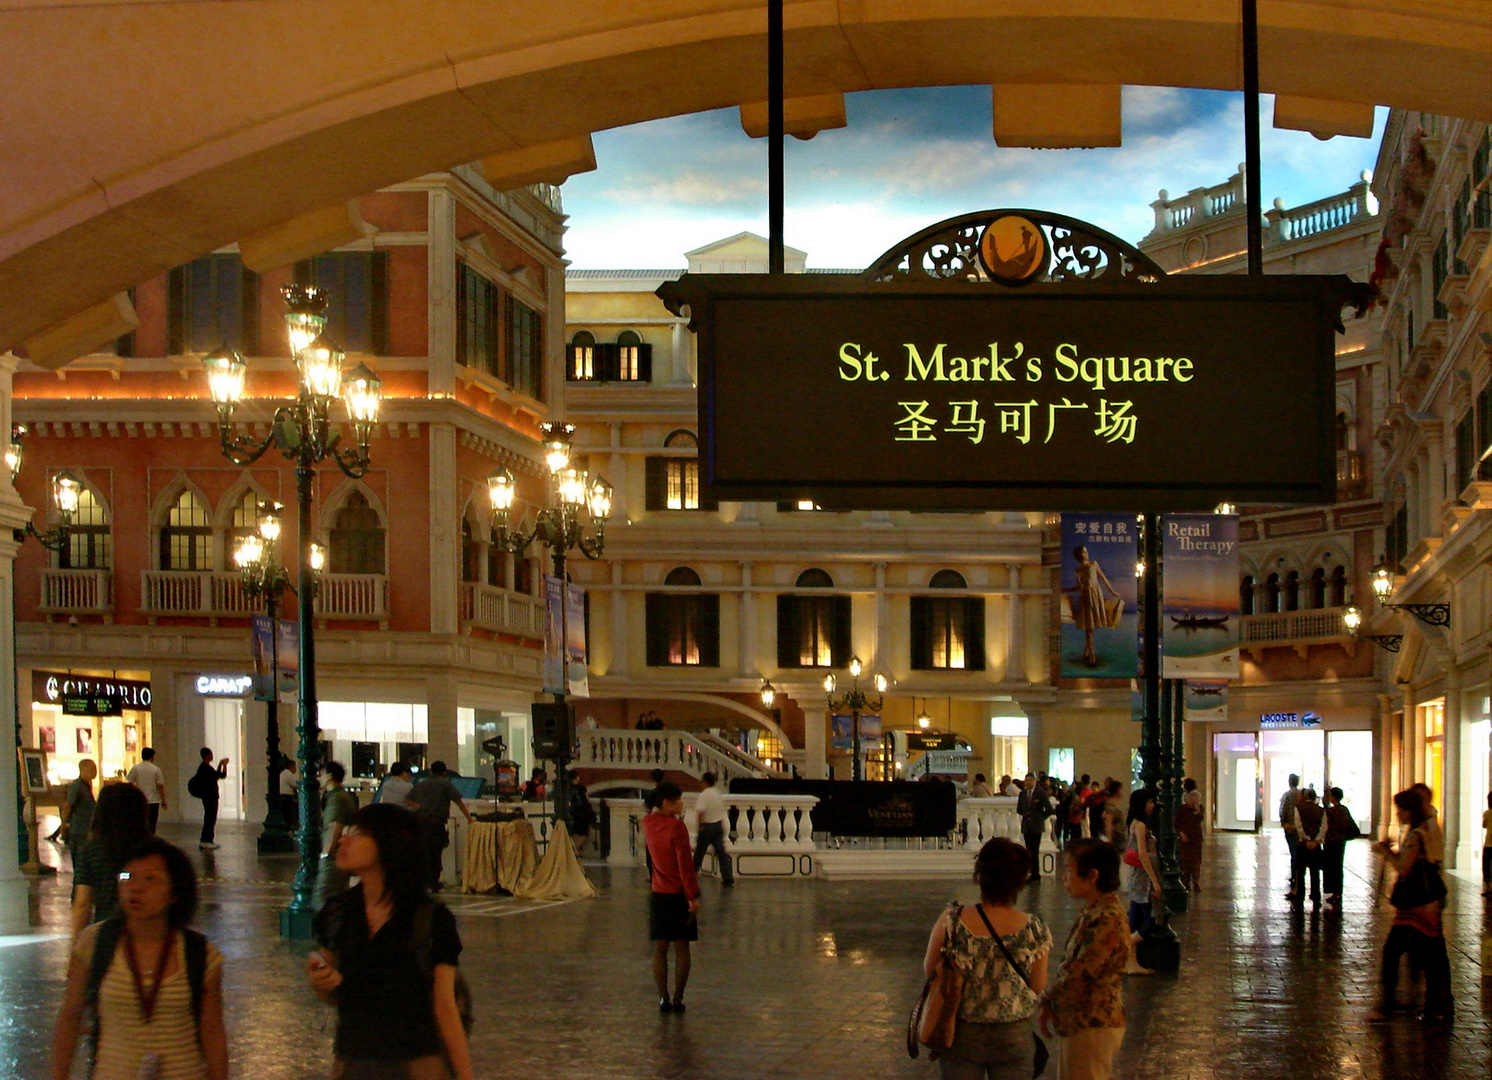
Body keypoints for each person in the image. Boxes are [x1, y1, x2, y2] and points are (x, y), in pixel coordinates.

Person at [309, 803, 474, 1080]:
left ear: (390, 844)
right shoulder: (337, 913)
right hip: (353, 1064)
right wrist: (320, 980)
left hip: (418, 1066)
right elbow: (333, 995)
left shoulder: (430, 919)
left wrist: (464, 1076)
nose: (343, 840)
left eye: (358, 833)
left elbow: (445, 1006)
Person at [50, 837, 229, 1080]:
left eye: (150, 879)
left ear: (175, 892)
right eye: (127, 877)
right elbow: (70, 1017)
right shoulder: (94, 943)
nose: (135, 887)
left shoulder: (201, 956)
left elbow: (213, 1034)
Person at [923, 837, 1051, 1080]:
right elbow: (1037, 986)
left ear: (980, 876)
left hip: (961, 1031)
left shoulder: (952, 920)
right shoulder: (1035, 928)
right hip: (1014, 1032)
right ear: (1019, 882)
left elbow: (931, 970)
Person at [1037, 839, 1128, 1080]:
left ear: (1092, 876)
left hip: (1093, 1022)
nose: (1065, 877)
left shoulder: (1107, 918)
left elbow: (1080, 972)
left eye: (1069, 869)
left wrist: (1045, 998)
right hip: (1082, 1020)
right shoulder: (1095, 910)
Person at [1370, 788, 1452, 1024]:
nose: (1398, 814)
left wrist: (1386, 852)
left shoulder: (1417, 834)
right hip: (1426, 903)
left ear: (1409, 810)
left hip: (1417, 905)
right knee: (1432, 956)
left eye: (1400, 809)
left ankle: (1389, 1005)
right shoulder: (1427, 828)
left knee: (1395, 952)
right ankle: (1436, 1006)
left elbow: (1404, 867)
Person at [642, 780, 700, 1012]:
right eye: (677, 800)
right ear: (667, 802)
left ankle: (663, 997)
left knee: (660, 948)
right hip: (678, 894)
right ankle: (678, 998)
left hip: (658, 892)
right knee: (682, 948)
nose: (681, 804)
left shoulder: (648, 822)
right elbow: (685, 866)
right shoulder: (677, 828)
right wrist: (692, 896)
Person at [71, 781, 152, 936]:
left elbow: (82, 903)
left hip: (107, 934)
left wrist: (76, 946)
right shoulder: (155, 850)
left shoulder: (91, 851)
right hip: (148, 935)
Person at [406, 760, 473, 892]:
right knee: (435, 853)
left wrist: (420, 806)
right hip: (436, 823)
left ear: (431, 771)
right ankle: (434, 883)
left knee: (423, 852)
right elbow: (459, 801)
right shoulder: (445, 784)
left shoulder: (421, 784)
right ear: (444, 772)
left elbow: (408, 799)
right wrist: (469, 819)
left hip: (420, 822)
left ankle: (424, 882)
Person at [1123, 788, 1162, 975]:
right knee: (1149, 922)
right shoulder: (1140, 826)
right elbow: (1143, 854)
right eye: (1150, 802)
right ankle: (1122, 950)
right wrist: (1155, 881)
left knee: (1135, 921)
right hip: (1142, 880)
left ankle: (1131, 963)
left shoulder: (1133, 823)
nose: (1152, 805)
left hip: (1135, 878)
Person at [313, 762, 361, 910]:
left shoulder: (337, 799)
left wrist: (325, 854)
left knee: (323, 898)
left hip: (333, 858)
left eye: (322, 774)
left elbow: (335, 827)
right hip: (338, 857)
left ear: (330, 776)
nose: (319, 778)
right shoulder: (338, 797)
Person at [1066, 545, 1121, 668]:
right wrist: (1067, 589)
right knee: (1089, 627)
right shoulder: (1078, 570)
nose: (1087, 553)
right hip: (1086, 597)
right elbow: (1079, 587)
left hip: (1095, 595)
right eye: (1085, 551)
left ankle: (1087, 651)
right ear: (1081, 555)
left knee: (1090, 626)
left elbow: (1103, 578)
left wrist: (1112, 591)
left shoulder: (1093, 564)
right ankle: (1092, 655)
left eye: (1086, 551)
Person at [691, 771, 734, 887]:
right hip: (718, 825)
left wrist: (699, 826)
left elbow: (700, 812)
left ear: (705, 782)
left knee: (699, 852)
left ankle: (691, 875)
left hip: (707, 826)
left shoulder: (704, 795)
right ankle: (727, 876)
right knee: (721, 852)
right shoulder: (717, 794)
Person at [1321, 787, 1357, 911]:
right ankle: (1338, 892)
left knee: (1330, 866)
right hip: (1341, 841)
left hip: (1330, 842)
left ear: (1334, 797)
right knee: (1338, 866)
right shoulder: (1344, 810)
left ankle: (1333, 891)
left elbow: (1325, 826)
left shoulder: (1330, 812)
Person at [1293, 788, 1328, 909]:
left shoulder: (1298, 808)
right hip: (1316, 845)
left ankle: (1300, 895)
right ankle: (1315, 895)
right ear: (1314, 798)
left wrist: (1306, 838)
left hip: (1302, 844)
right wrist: (1316, 840)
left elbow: (1298, 825)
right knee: (1315, 871)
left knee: (1301, 871)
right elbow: (1324, 827)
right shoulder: (1320, 810)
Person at [189, 747, 230, 850]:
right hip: (210, 797)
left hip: (207, 797)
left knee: (209, 818)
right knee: (210, 819)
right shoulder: (205, 768)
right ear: (208, 756)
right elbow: (222, 775)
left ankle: (206, 840)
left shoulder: (204, 768)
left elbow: (215, 776)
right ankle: (207, 840)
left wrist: (220, 764)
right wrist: (224, 765)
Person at [57, 759, 98, 848]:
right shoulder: (76, 786)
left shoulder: (86, 786)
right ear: (83, 769)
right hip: (78, 829)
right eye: (92, 768)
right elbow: (68, 805)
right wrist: (63, 824)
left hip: (86, 828)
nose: (95, 771)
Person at [1018, 776, 1051, 881]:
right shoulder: (1023, 794)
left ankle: (1035, 873)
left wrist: (1041, 817)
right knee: (1028, 850)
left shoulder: (1041, 793)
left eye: (1029, 780)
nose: (1026, 782)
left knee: (1035, 850)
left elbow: (1049, 808)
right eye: (1026, 780)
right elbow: (1019, 808)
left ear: (1034, 781)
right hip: (1027, 825)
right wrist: (1025, 814)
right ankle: (1031, 871)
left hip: (1036, 825)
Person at [127, 747, 168, 833]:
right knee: (152, 823)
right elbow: (160, 786)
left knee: (141, 822)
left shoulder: (136, 768)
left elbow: (130, 783)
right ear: (152, 757)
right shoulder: (156, 769)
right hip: (153, 801)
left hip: (140, 800)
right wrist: (163, 800)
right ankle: (150, 839)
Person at [1174, 784, 1203, 893]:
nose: (1194, 802)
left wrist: (1196, 810)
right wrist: (1181, 834)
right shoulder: (1182, 809)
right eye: (1192, 799)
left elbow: (1199, 819)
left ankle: (1196, 882)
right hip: (1185, 840)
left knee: (1196, 862)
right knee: (1184, 862)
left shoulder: (1200, 809)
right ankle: (1185, 882)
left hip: (1196, 839)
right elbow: (1177, 824)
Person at [1278, 773, 1302, 901]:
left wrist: (1284, 823)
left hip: (1290, 828)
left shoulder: (1287, 795)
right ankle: (1297, 876)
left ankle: (1294, 876)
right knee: (1298, 853)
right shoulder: (1300, 795)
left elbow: (1282, 810)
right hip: (1299, 829)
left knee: (1293, 853)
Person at [567, 770, 597, 854]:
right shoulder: (581, 788)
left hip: (573, 813)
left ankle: (573, 849)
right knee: (584, 833)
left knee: (575, 833)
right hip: (583, 813)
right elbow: (586, 799)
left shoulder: (568, 788)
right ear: (576, 778)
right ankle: (574, 850)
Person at [279, 756, 301, 831]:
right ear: (291, 766)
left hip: (283, 797)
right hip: (286, 797)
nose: (296, 768)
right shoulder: (288, 774)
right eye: (295, 766)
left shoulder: (283, 773)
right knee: (288, 814)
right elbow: (295, 784)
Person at [1101, 782, 1125, 847]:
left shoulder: (1117, 803)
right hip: (1115, 837)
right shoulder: (1110, 805)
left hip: (1119, 835)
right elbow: (1108, 822)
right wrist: (1109, 838)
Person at [1482, 791, 1492, 897]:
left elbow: (1484, 825)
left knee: (1486, 865)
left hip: (1488, 843)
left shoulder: (1487, 813)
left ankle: (1488, 887)